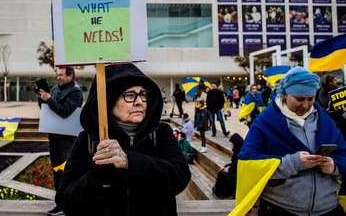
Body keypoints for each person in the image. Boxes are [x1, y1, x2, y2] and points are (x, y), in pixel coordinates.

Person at [55, 63, 191, 216]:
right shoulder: (87, 140)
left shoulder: (160, 133)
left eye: (143, 94)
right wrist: (94, 177)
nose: (139, 101)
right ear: (109, 101)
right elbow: (65, 200)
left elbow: (180, 177)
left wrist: (129, 162)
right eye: (130, 95)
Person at [231, 67, 346, 216]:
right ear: (285, 95)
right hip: (281, 209)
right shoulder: (266, 122)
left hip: (329, 209)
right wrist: (292, 163)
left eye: (310, 99)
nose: (305, 105)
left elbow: (343, 154)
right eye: (299, 99)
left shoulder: (325, 120)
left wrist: (334, 166)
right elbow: (248, 164)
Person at [37, 67, 83, 216]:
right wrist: (42, 97)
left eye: (61, 75)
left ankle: (67, 204)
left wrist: (48, 99)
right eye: (57, 75)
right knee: (56, 170)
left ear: (71, 76)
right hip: (54, 135)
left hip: (68, 139)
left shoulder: (75, 92)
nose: (58, 78)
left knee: (65, 172)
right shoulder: (56, 88)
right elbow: (46, 107)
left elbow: (64, 111)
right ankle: (60, 203)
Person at [212, 133, 244, 198]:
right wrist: (226, 166)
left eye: (232, 144)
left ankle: (219, 192)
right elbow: (234, 163)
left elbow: (237, 166)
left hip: (239, 175)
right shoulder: (238, 150)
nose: (232, 146)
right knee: (223, 171)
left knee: (222, 174)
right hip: (236, 171)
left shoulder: (240, 152)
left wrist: (228, 169)